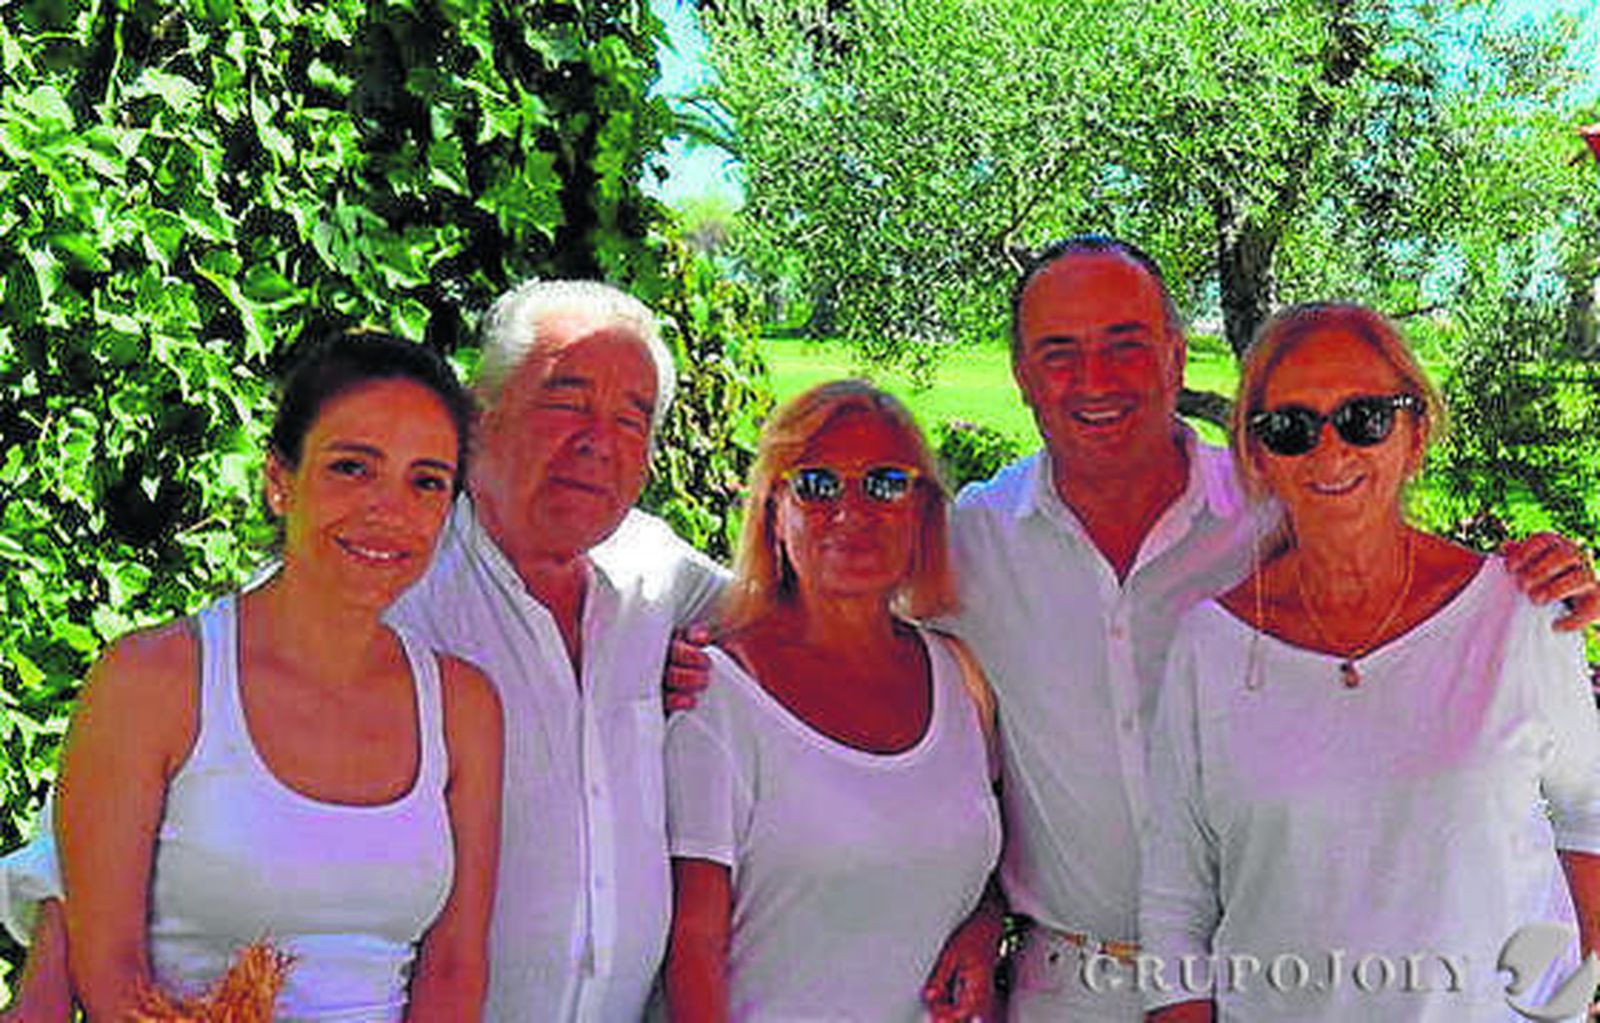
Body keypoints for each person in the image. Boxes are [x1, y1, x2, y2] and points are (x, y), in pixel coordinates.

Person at [0, 280, 726, 1023]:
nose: (598, 441)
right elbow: (98, 841)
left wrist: (721, 673)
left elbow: (803, 621)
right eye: (566, 401)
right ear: (483, 419)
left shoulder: (654, 572)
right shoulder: (374, 570)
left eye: (631, 419)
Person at [936, 236, 1600, 1021]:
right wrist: (976, 909)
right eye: (1058, 352)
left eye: (1126, 344)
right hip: (1075, 979)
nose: (1328, 450)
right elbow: (887, 719)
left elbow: (1579, 806)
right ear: (1019, 374)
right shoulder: (968, 542)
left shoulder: (1277, 511)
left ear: (1177, 357)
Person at [1139, 302, 1600, 1020]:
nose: (1331, 454)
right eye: (1291, 429)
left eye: (1364, 418)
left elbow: (1590, 815)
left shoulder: (1521, 611)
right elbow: (1176, 902)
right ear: (1257, 457)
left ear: (1415, 433)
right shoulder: (1209, 646)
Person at [52, 333, 503, 1020]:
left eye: (426, 480)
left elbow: (455, 967)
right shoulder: (153, 679)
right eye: (353, 467)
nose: (390, 508)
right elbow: (109, 968)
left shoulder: (464, 707)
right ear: (278, 480)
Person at [664, 380, 1003, 1022]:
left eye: (884, 483)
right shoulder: (718, 693)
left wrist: (985, 930)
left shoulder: (959, 676)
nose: (851, 512)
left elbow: (979, 872)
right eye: (817, 484)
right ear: (772, 510)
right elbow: (694, 947)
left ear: (924, 512)